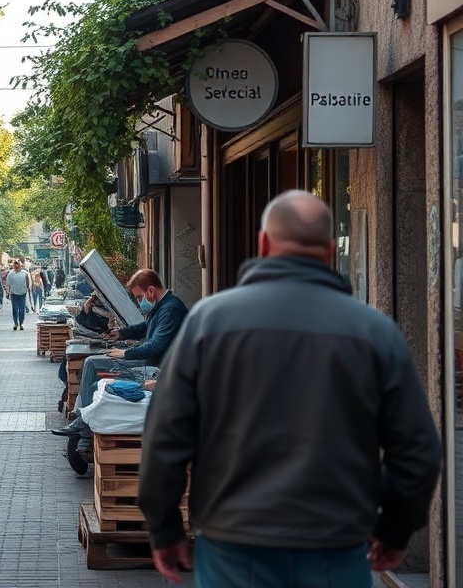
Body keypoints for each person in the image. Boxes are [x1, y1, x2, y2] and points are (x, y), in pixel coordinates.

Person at [139, 190, 442, 586]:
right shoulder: (373, 332)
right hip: (335, 544)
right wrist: (396, 526)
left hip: (234, 545)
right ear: (331, 249)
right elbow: (418, 449)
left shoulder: (210, 323)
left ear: (264, 243)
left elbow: (165, 435)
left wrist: (164, 529)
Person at [51, 269, 187, 457]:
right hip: (147, 361)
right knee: (91, 363)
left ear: (150, 291)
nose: (140, 302)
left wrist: (125, 353)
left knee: (94, 372)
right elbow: (145, 328)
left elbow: (156, 346)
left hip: (154, 369)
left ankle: (84, 432)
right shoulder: (161, 307)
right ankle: (82, 423)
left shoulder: (171, 309)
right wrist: (121, 333)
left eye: (139, 297)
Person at [4, 259, 31, 331]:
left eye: (18, 264)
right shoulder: (10, 274)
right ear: (13, 265)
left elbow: (28, 283)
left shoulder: (25, 273)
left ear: (20, 265)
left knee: (22, 310)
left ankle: (21, 323)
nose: (16, 265)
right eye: (15, 264)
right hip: (14, 294)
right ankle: (15, 323)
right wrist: (7, 292)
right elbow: (8, 284)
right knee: (15, 309)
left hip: (22, 294)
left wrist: (27, 290)